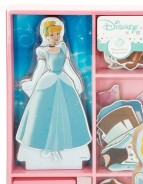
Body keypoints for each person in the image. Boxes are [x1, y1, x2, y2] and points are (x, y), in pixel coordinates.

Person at [16, 17, 91, 165]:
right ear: (45, 35)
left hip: (64, 82)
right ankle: (48, 147)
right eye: (52, 34)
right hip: (47, 82)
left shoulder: (63, 47)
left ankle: (57, 147)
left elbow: (68, 66)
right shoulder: (42, 51)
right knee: (44, 115)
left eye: (58, 33)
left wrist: (76, 81)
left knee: (65, 116)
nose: (56, 37)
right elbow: (39, 70)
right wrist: (32, 83)